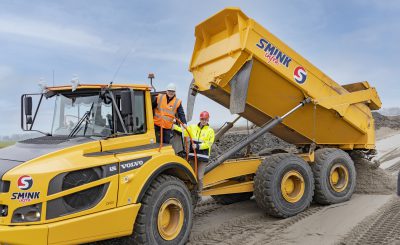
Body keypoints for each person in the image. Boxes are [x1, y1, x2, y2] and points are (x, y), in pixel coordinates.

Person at [174, 111, 215, 196]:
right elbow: (183, 131)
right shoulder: (193, 127)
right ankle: (189, 191)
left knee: (199, 177)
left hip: (203, 157)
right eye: (202, 119)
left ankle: (199, 192)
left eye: (205, 119)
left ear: (208, 120)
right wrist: (174, 126)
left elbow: (209, 144)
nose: (204, 121)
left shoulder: (210, 131)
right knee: (191, 175)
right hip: (193, 156)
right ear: (200, 119)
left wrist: (197, 146)